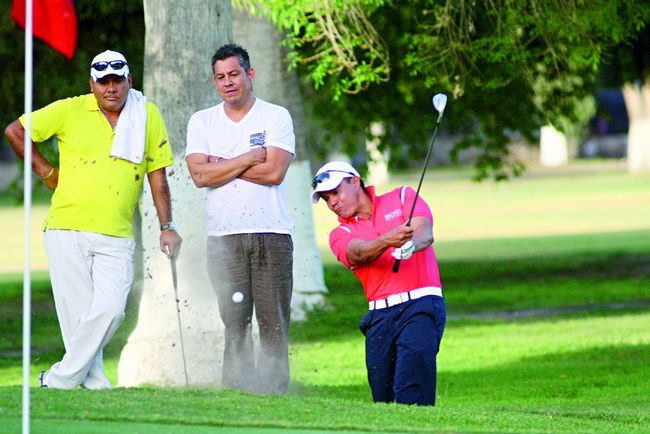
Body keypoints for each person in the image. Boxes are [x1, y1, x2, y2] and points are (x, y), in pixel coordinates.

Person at [5, 50, 182, 389]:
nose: (111, 88)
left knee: (111, 310)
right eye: (103, 82)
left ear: (130, 81)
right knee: (79, 319)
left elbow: (157, 175)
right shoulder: (69, 109)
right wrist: (46, 172)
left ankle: (57, 379)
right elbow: (16, 131)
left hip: (117, 233)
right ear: (92, 84)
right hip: (66, 228)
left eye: (117, 81)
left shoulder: (146, 113)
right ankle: (94, 384)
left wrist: (167, 226)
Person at [185, 44, 295, 395]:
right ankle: (237, 389)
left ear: (250, 74)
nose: (228, 82)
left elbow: (274, 172)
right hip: (223, 237)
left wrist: (220, 165)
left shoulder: (275, 116)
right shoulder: (202, 121)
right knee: (234, 321)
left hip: (270, 232)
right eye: (220, 77)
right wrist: (248, 158)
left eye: (234, 74)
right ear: (214, 82)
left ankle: (273, 390)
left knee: (273, 320)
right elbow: (199, 176)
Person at [311, 161, 446, 406]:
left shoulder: (402, 196)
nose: (333, 203)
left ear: (355, 181)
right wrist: (387, 240)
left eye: (336, 192)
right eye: (326, 199)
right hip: (380, 316)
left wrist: (411, 245)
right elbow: (358, 253)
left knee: (412, 390)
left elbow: (424, 231)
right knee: (383, 399)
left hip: (421, 305)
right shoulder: (339, 234)